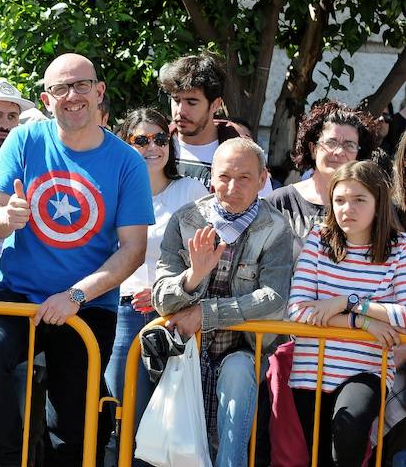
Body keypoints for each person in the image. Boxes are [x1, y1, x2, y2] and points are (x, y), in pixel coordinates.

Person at [0, 53, 153, 466]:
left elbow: (133, 250)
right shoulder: (24, 140)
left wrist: (75, 296)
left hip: (86, 306)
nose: (72, 96)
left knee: (70, 430)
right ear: (46, 98)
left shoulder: (127, 162)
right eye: (60, 89)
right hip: (17, 295)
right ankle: (13, 457)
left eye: (81, 85)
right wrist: (7, 217)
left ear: (99, 91)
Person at [152, 138, 294, 466]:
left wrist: (205, 314)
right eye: (224, 176)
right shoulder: (186, 220)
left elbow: (273, 299)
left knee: (238, 376)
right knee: (176, 446)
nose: (232, 187)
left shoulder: (275, 228)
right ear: (211, 178)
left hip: (243, 349)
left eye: (244, 177)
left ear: (262, 179)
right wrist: (194, 276)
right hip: (185, 350)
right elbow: (161, 296)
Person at [288, 160, 406, 466]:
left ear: (379, 204)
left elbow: (405, 315)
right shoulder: (318, 240)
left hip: (366, 369)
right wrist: (363, 321)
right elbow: (298, 311)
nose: (346, 208)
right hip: (310, 371)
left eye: (359, 200)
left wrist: (349, 302)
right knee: (321, 459)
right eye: (339, 200)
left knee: (349, 428)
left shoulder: (400, 249)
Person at [105, 109, 207, 444]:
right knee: (126, 416)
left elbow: (208, 255)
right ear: (125, 143)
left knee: (168, 424)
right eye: (141, 139)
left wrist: (166, 290)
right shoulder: (110, 194)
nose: (153, 146)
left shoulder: (190, 190)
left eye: (161, 138)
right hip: (122, 312)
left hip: (174, 314)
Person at [158, 51, 272, 195]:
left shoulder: (245, 155)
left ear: (215, 104)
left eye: (191, 102)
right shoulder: (155, 146)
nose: (180, 110)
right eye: (176, 100)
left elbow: (264, 210)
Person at [267, 101, 378, 248]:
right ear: (313, 149)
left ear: (359, 154)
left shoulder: (370, 205)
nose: (339, 152)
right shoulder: (281, 202)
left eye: (349, 145)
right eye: (331, 143)